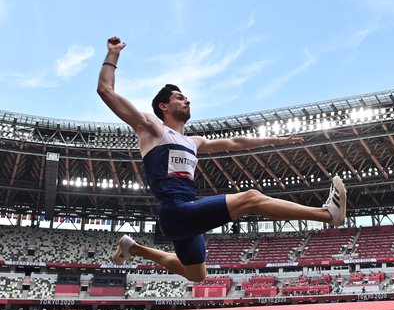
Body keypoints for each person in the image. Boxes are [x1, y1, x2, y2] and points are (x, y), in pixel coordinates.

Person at [97, 36, 346, 282]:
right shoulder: (152, 129)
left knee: (196, 274)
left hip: (186, 211)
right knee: (251, 198)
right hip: (174, 211)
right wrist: (113, 54)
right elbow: (105, 91)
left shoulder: (194, 143)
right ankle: (327, 215)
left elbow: (235, 142)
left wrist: (274, 141)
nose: (187, 100)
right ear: (163, 106)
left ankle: (134, 248)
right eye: (180, 98)